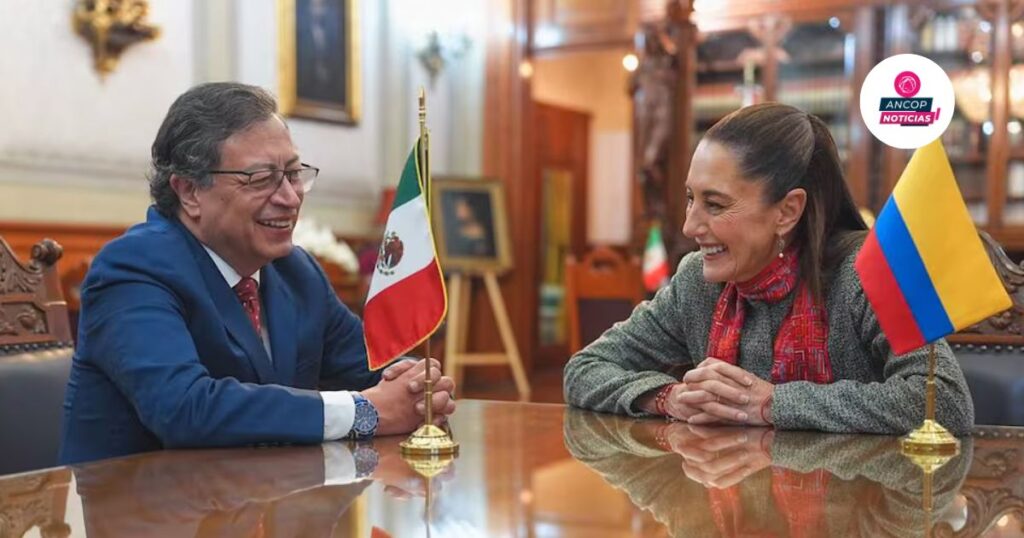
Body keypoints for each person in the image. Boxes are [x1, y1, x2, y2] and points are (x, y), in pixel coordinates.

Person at [59, 82, 455, 465]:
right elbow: (185, 409)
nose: (289, 197)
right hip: (143, 513)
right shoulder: (133, 269)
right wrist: (365, 412)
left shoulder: (296, 271)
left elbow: (370, 369)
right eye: (262, 179)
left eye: (294, 174)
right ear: (189, 192)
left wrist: (416, 387)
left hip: (262, 507)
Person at [563, 102, 974, 435]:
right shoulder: (696, 283)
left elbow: (944, 402)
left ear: (788, 210)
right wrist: (668, 397)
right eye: (690, 198)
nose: (690, 226)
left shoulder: (870, 272)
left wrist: (770, 403)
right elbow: (584, 369)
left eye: (716, 204)